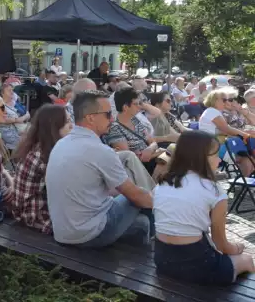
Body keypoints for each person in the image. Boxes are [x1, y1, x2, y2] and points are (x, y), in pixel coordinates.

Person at [46, 90, 154, 247]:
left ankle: (148, 231)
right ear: (90, 118)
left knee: (142, 223)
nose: (112, 118)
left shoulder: (61, 144)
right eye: (108, 114)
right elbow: (136, 197)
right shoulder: (100, 151)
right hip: (90, 235)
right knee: (140, 195)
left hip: (63, 232)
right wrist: (162, 202)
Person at [153, 131, 255, 285]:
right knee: (247, 259)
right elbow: (221, 244)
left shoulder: (163, 184)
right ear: (201, 158)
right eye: (215, 155)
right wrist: (238, 247)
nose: (220, 160)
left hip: (163, 261)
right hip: (198, 267)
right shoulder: (214, 191)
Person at [12, 104, 72, 234]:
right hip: (36, 215)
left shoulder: (39, 145)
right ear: (54, 126)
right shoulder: (44, 155)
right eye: (67, 122)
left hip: (25, 211)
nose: (71, 126)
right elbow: (65, 190)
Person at [105, 87, 166, 177]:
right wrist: (158, 152)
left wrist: (150, 149)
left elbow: (152, 141)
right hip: (141, 170)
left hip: (152, 159)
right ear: (125, 107)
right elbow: (129, 160)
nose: (140, 107)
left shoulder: (134, 120)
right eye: (136, 104)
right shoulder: (115, 128)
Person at [0, 83, 30, 150]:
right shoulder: (0, 106)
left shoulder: (15, 102)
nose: (12, 92)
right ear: (2, 93)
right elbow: (3, 120)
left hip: (21, 130)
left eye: (12, 90)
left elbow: (28, 114)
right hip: (11, 136)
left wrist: (22, 118)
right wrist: (20, 119)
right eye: (9, 90)